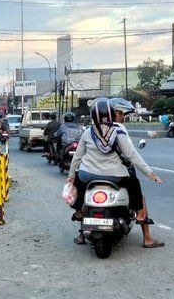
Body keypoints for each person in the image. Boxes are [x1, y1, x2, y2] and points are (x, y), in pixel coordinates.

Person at [65, 97, 164, 248]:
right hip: (115, 176)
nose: (122, 116)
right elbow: (131, 155)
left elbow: (77, 158)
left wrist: (71, 178)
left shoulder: (87, 132)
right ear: (112, 114)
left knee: (79, 183)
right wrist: (150, 173)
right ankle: (141, 220)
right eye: (120, 113)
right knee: (134, 184)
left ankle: (79, 212)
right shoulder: (118, 130)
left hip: (87, 175)